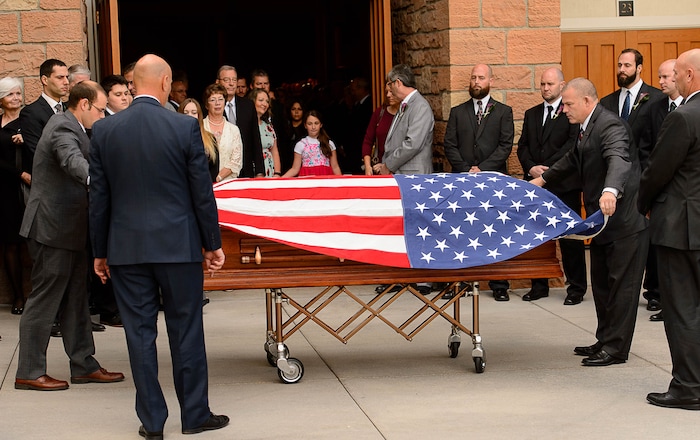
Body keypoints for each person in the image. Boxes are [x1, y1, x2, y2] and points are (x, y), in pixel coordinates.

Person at [89, 54, 229, 437]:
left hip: (127, 249)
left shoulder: (105, 130)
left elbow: (99, 198)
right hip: (177, 246)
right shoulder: (184, 128)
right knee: (186, 330)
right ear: (166, 81)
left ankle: (152, 423)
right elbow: (202, 194)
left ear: (134, 84)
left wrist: (100, 252)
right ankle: (195, 414)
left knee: (139, 334)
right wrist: (211, 243)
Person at [14, 80, 124, 392]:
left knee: (77, 298)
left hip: (71, 230)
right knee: (44, 300)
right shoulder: (62, 126)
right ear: (84, 104)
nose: (103, 117)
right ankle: (29, 371)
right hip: (52, 230)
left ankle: (84, 365)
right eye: (101, 110)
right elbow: (71, 160)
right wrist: (95, 179)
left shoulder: (78, 126)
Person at [531, 77, 648, 367]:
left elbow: (618, 159)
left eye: (569, 104)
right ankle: (604, 340)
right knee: (602, 285)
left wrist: (611, 190)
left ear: (587, 101)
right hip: (601, 223)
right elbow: (573, 159)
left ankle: (616, 350)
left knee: (621, 288)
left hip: (624, 223)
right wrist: (543, 180)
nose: (564, 110)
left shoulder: (610, 125)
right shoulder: (585, 128)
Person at [638, 48, 700, 411]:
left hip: (682, 228)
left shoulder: (684, 117)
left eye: (676, 73)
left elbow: (657, 170)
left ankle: (689, 387)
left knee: (683, 310)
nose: (672, 79)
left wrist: (641, 205)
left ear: (690, 75)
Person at [600, 48, 664, 313]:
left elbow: (659, 141)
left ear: (639, 68)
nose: (621, 70)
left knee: (647, 233)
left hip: (644, 176)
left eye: (627, 65)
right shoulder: (607, 101)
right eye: (619, 65)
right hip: (615, 178)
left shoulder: (656, 99)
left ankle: (654, 291)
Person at [443, 63, 514, 301]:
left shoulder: (504, 112)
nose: (476, 81)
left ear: (491, 81)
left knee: (495, 230)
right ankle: (462, 281)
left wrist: (482, 169)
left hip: (492, 180)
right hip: (462, 180)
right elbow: (449, 145)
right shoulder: (457, 112)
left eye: (481, 78)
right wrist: (466, 169)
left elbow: (505, 146)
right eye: (473, 77)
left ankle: (499, 284)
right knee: (462, 230)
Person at [517, 67, 587, 305]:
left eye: (550, 84)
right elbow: (523, 146)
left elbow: (571, 147)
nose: (545, 88)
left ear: (561, 85)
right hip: (535, 184)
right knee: (536, 236)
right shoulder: (532, 113)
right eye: (542, 84)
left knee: (570, 237)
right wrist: (531, 168)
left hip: (564, 185)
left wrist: (547, 170)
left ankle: (576, 287)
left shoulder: (570, 113)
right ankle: (539, 284)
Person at [372, 64, 434, 296]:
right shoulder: (404, 106)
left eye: (389, 84)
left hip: (413, 178)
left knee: (418, 227)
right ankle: (399, 276)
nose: (388, 89)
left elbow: (413, 143)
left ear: (397, 82)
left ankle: (422, 279)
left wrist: (388, 165)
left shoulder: (420, 107)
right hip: (401, 178)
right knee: (399, 228)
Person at [642, 59, 683, 323]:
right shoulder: (654, 108)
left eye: (666, 77)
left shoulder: (690, 110)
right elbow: (645, 147)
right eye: (659, 77)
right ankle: (658, 296)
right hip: (659, 191)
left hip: (682, 193)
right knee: (660, 250)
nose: (661, 82)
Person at [0, 77, 29, 315]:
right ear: (1, 99)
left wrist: (26, 140)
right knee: (10, 244)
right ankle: (18, 296)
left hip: (30, 189)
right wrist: (19, 173)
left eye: (19, 94)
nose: (16, 98)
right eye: (11, 94)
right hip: (6, 190)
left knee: (31, 245)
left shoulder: (29, 121)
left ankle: (37, 296)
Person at [19, 59, 69, 171]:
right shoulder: (31, 112)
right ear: (45, 80)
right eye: (60, 77)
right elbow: (37, 153)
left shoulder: (70, 109)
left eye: (67, 77)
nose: (66, 82)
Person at [216, 65, 263, 177]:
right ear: (218, 82)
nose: (231, 84)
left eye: (234, 80)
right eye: (227, 80)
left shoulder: (248, 105)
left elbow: (256, 139)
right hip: (220, 171)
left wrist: (260, 172)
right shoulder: (212, 107)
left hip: (245, 169)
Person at [202, 83, 242, 183]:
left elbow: (236, 161)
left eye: (220, 99)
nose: (217, 103)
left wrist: (218, 178)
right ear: (207, 105)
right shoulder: (200, 127)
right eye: (212, 100)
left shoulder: (233, 130)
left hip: (228, 183)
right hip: (204, 183)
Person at [282, 109, 341, 177]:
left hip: (325, 180)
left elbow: (335, 167)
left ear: (321, 125)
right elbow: (295, 169)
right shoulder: (301, 144)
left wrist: (342, 184)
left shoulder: (329, 143)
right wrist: (280, 180)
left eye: (316, 123)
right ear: (305, 125)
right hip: (307, 181)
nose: (313, 127)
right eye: (310, 124)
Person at [362, 86, 400, 175]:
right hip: (379, 170)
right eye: (386, 92)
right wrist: (368, 167)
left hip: (401, 170)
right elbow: (368, 141)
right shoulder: (380, 113)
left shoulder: (407, 114)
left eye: (392, 92)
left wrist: (387, 165)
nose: (388, 95)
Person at [179, 98, 219, 182]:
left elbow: (214, 169)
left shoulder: (210, 138)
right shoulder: (173, 139)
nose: (189, 115)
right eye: (186, 113)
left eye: (194, 113)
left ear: (199, 115)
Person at [249, 88, 281, 177]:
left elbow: (275, 151)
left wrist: (277, 173)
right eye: (261, 100)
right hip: (253, 172)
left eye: (267, 101)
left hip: (270, 171)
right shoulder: (246, 125)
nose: (265, 104)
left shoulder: (268, 126)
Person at [344, 76, 373, 175]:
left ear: (362, 89)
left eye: (354, 90)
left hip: (361, 147)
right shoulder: (357, 104)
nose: (352, 93)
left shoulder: (369, 104)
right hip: (355, 149)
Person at [282, 99, 306, 173]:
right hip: (286, 164)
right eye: (293, 109)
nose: (296, 112)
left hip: (303, 165)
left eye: (299, 109)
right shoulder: (284, 127)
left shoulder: (307, 128)